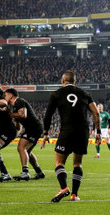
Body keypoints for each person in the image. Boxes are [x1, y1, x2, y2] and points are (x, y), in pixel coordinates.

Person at [42, 71, 101, 203]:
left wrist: (45, 133)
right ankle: (74, 195)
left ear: (63, 81)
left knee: (59, 162)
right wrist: (98, 132)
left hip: (67, 130)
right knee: (77, 163)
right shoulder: (85, 93)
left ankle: (64, 188)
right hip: (82, 131)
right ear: (75, 82)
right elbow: (96, 113)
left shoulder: (56, 94)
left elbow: (48, 115)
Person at [5, 88, 45, 181]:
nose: (5, 97)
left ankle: (25, 173)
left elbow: (23, 115)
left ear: (11, 95)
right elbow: (18, 127)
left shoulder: (19, 101)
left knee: (21, 147)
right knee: (27, 152)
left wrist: (10, 114)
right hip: (33, 128)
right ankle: (39, 172)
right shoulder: (15, 106)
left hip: (34, 128)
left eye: (6, 95)